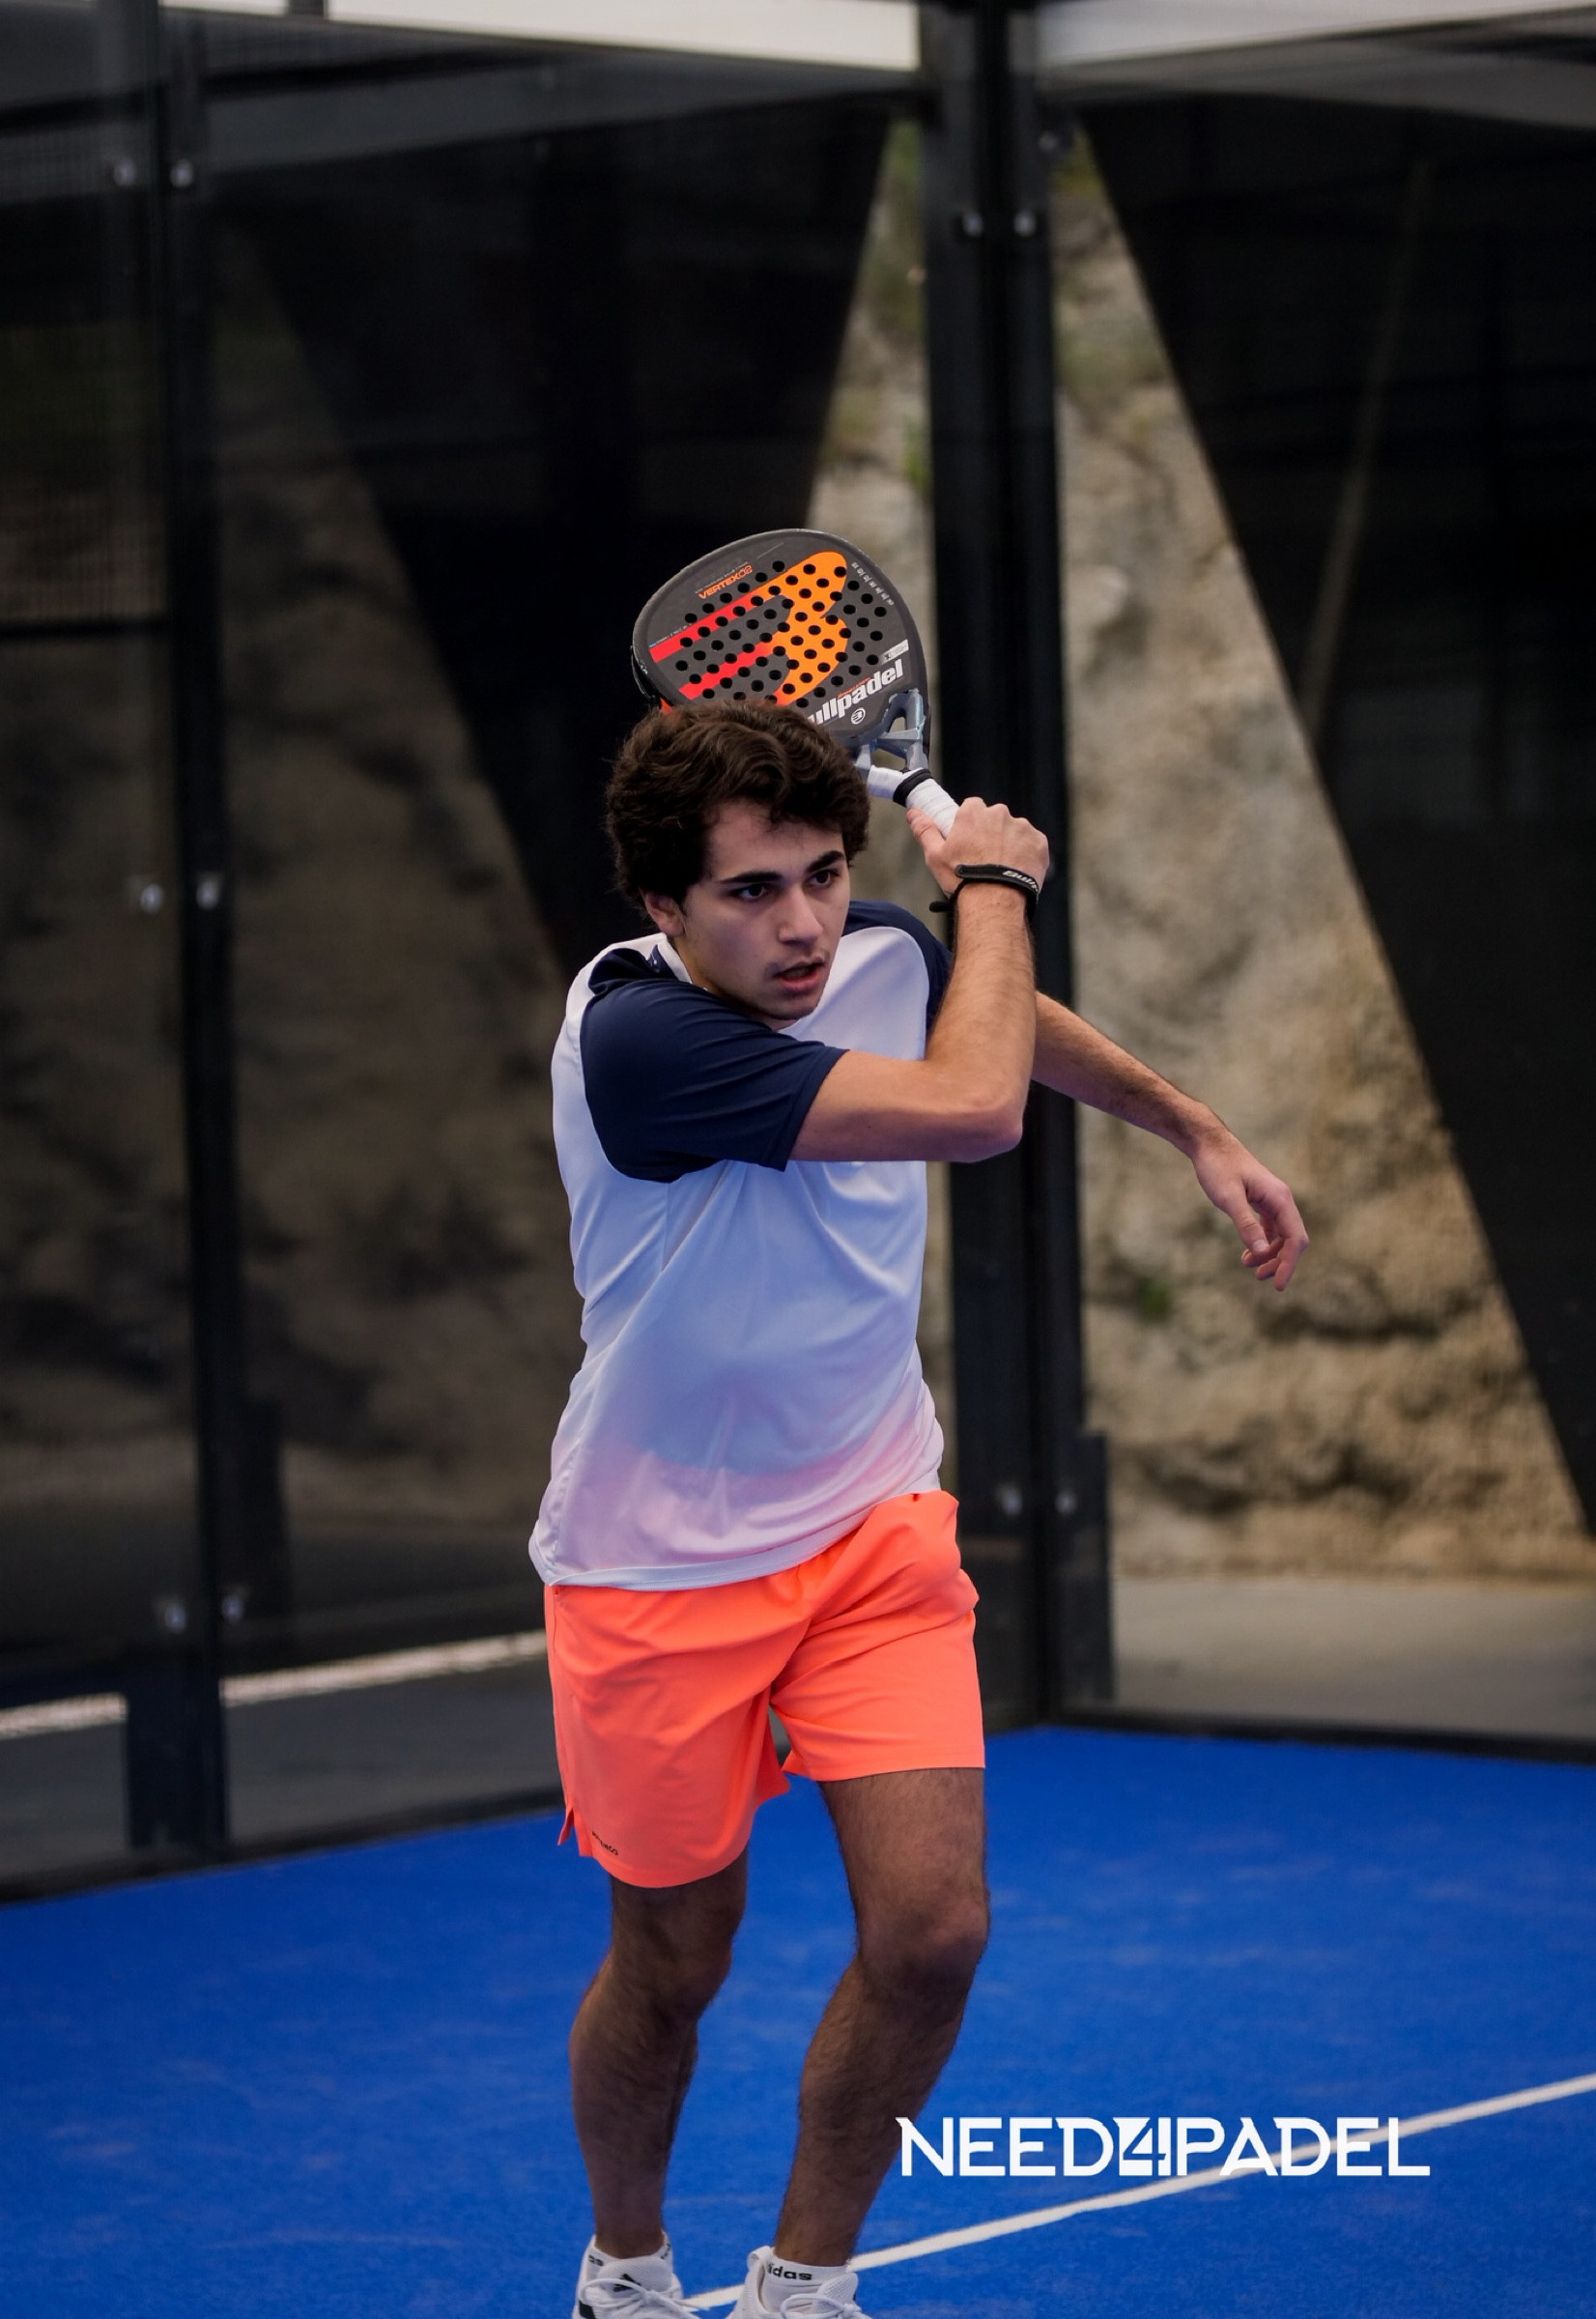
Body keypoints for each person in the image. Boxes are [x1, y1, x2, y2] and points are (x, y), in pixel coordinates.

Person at [532, 699, 1307, 2319]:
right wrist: (1000, 880)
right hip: (654, 1565)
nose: (804, 925)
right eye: (751, 892)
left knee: (936, 1930)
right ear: (663, 906)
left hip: (872, 1523)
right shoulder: (636, 1039)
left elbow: (994, 1017)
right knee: (674, 1964)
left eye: (825, 874)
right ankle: (625, 2268)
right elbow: (974, 1104)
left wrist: (1192, 1123)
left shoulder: (876, 949)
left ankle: (805, 2286)